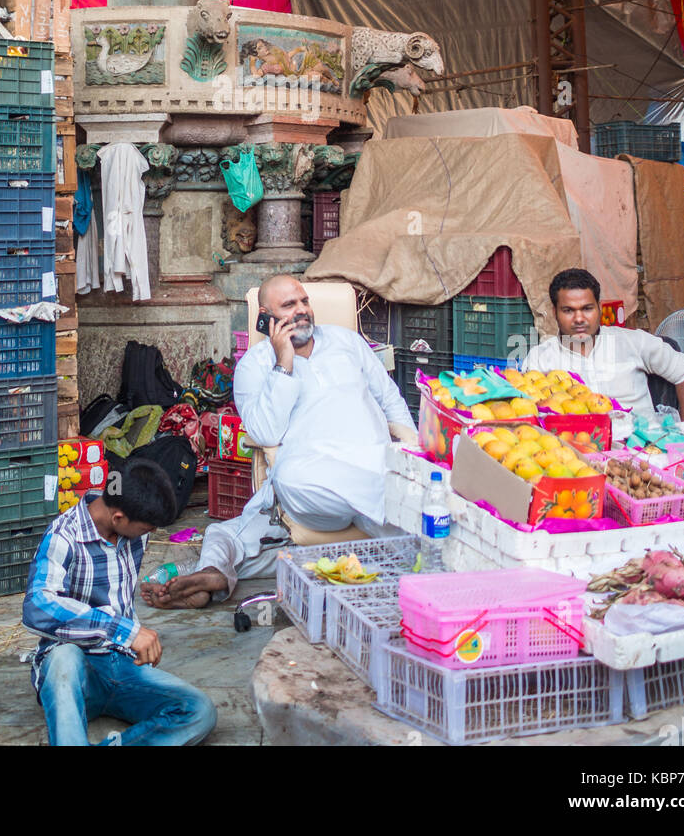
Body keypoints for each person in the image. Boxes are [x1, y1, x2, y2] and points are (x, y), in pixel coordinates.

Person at [140, 273, 416, 610]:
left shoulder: (347, 342)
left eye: (304, 301)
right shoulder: (255, 366)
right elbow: (266, 432)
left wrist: (412, 453)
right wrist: (283, 364)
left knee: (226, 536)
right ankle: (408, 545)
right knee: (289, 478)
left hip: (374, 466)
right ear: (266, 318)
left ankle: (213, 573)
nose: (302, 310)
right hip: (313, 485)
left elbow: (391, 400)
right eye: (289, 305)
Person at [22, 459, 217, 747]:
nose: (147, 533)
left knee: (200, 711)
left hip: (121, 665)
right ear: (118, 518)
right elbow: (37, 606)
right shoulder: (63, 536)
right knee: (64, 658)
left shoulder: (132, 529)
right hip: (74, 670)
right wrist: (123, 630)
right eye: (145, 527)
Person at [523, 267, 684, 423]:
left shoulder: (633, 342)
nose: (579, 319)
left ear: (599, 308)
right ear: (555, 312)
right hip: (577, 455)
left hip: (646, 449)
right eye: (568, 310)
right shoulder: (540, 360)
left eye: (587, 308)